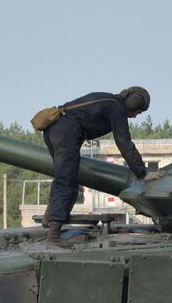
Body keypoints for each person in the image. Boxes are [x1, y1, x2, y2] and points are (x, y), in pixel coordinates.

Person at [41, 87, 154, 247]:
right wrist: (143, 173)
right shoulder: (117, 109)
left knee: (63, 178)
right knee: (67, 183)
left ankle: (49, 219)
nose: (135, 117)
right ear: (133, 104)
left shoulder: (108, 100)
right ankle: (53, 236)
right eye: (138, 112)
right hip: (66, 133)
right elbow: (125, 144)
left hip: (53, 128)